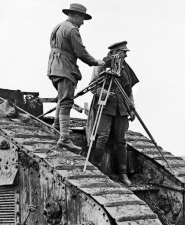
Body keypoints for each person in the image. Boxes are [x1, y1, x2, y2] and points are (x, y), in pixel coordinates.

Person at [47, 3, 105, 151]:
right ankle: (64, 138)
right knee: (66, 101)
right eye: (82, 19)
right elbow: (80, 52)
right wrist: (95, 62)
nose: (83, 23)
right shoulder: (72, 29)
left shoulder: (58, 26)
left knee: (62, 98)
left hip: (54, 68)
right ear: (76, 16)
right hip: (65, 69)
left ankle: (58, 127)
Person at [87, 41, 139, 185]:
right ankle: (97, 168)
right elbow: (92, 87)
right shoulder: (101, 65)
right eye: (124, 52)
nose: (126, 55)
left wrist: (132, 108)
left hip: (121, 108)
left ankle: (123, 174)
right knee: (102, 136)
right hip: (105, 107)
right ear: (115, 52)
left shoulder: (125, 68)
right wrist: (106, 94)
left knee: (121, 140)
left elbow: (129, 91)